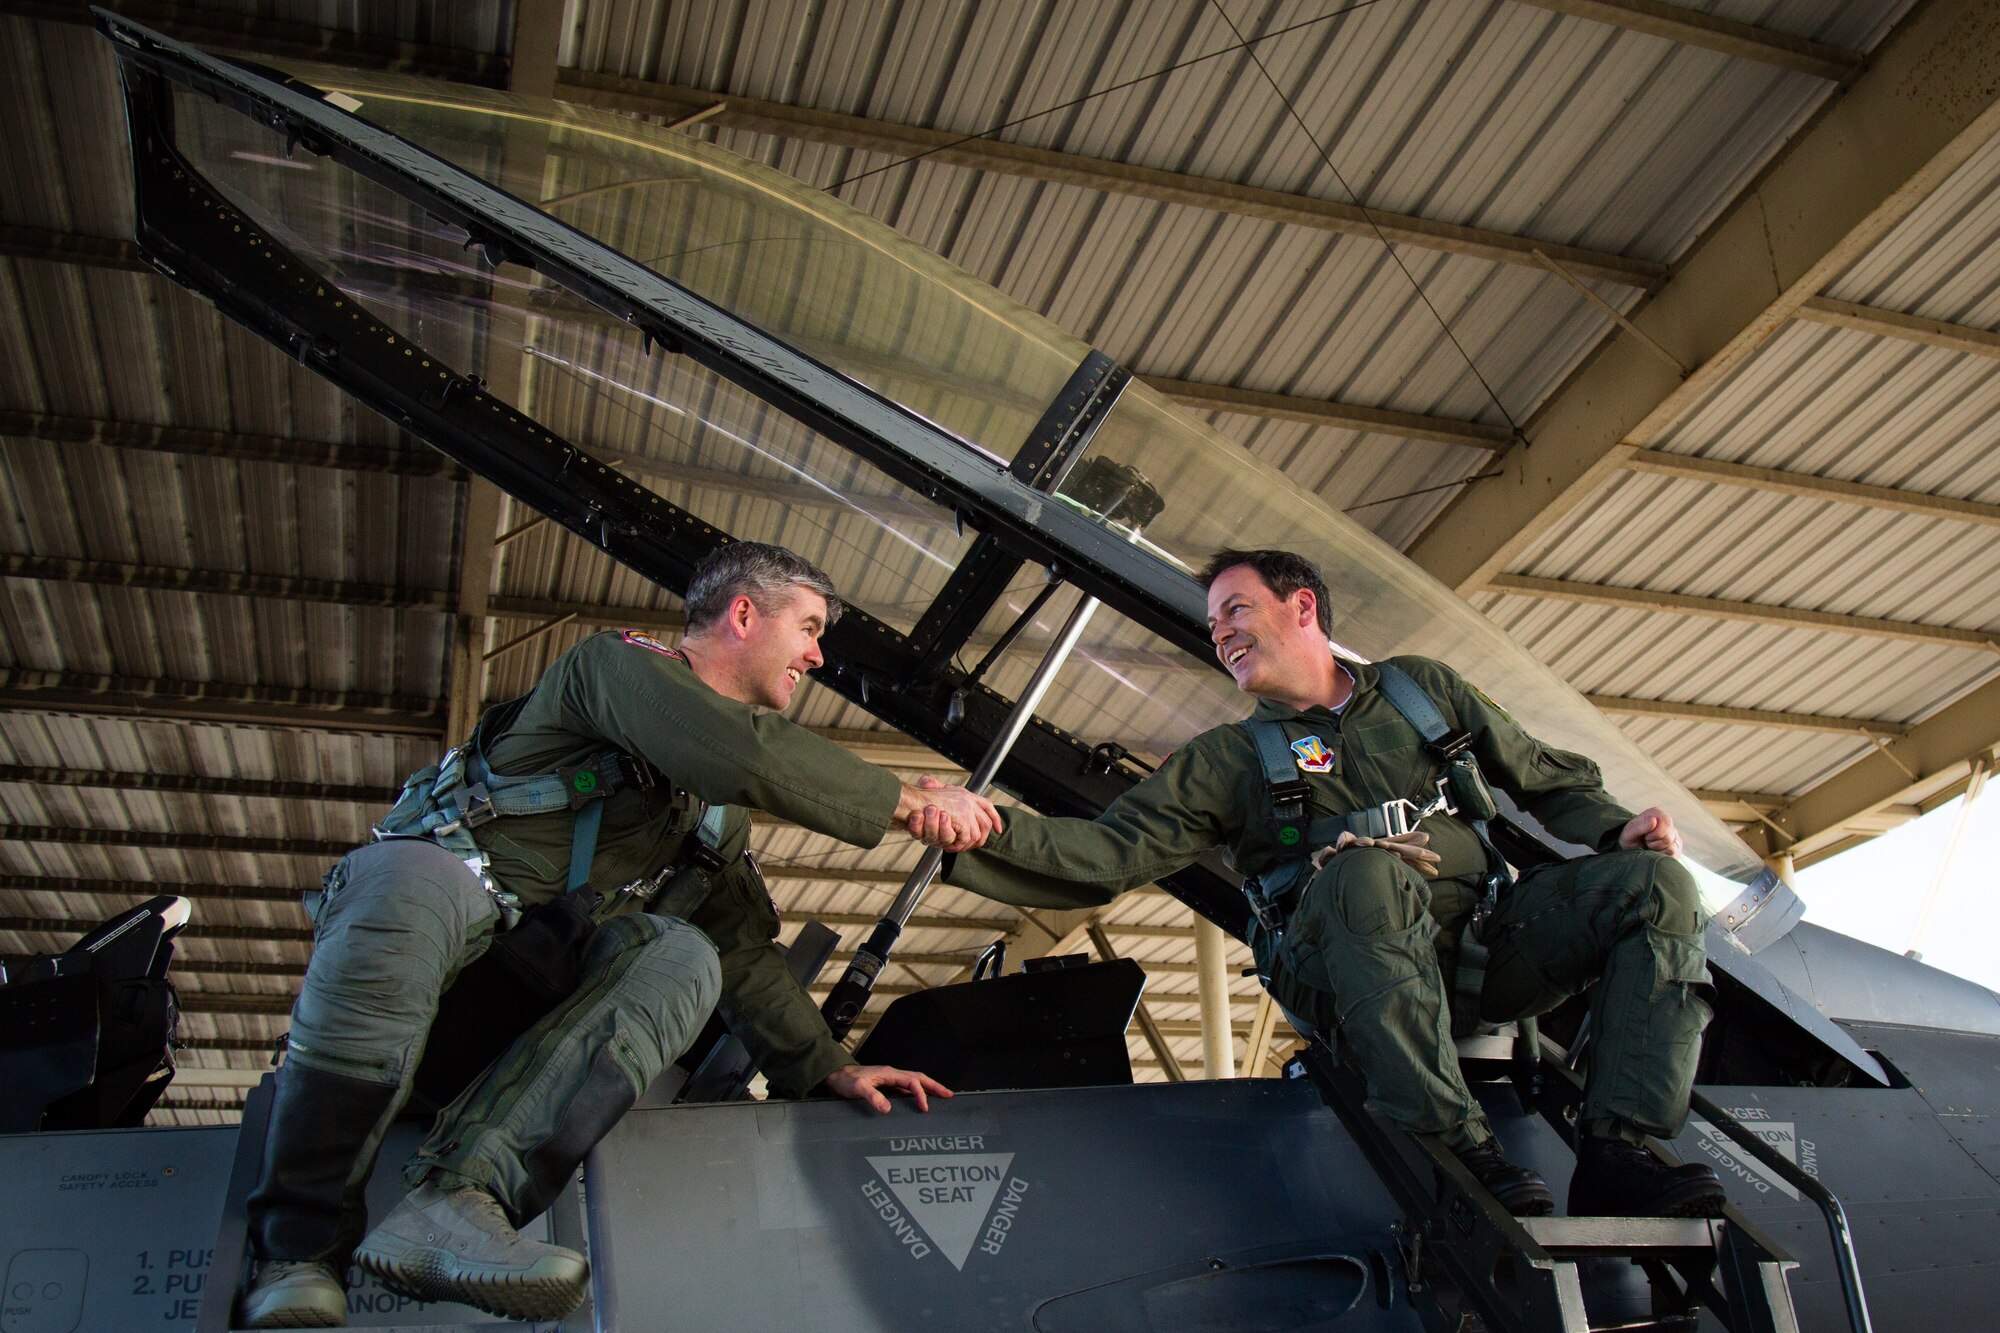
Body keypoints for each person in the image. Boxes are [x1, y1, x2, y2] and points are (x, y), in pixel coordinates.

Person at [239, 542, 1001, 1328]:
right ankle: (298, 1247)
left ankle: (459, 1203)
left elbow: (742, 951)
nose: (816, 653)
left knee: (684, 953)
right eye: (807, 626)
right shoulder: (613, 669)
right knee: (415, 882)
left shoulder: (711, 817)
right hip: (417, 970)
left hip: (522, 1035)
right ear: (743, 613)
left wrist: (828, 1066)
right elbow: (731, 747)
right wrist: (907, 801)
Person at [943, 548, 1725, 1219]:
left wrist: (1612, 826)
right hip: (1343, 974)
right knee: (1365, 871)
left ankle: (1619, 1153)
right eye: (1214, 624)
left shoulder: (1423, 694)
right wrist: (986, 827)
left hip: (1486, 950)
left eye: (1236, 610)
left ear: (1302, 605)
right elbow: (1111, 848)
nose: (1220, 633)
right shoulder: (1229, 758)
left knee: (1657, 885)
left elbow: (1543, 775)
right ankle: (1461, 1151)